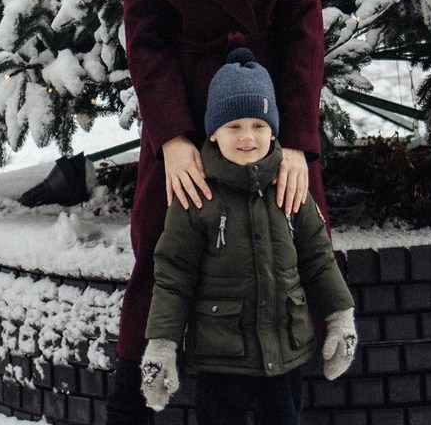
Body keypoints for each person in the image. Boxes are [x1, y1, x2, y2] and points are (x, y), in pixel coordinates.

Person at [109, 0, 330, 425]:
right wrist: (174, 137)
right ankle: (132, 410)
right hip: (186, 126)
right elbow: (145, 42)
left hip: (270, 128)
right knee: (161, 259)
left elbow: (303, 40)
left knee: (284, 261)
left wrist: (297, 147)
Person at [139, 48, 356, 422]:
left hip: (285, 353)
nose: (247, 137)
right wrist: (161, 346)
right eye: (234, 126)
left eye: (258, 125)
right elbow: (173, 277)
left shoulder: (291, 190)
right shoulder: (197, 197)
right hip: (222, 359)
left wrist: (340, 318)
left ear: (273, 131)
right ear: (213, 132)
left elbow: (319, 259)